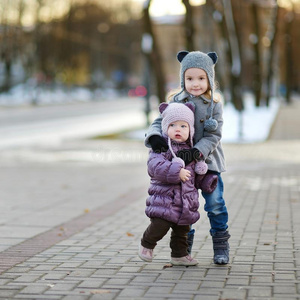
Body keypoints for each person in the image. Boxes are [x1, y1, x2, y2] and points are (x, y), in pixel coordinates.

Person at [144, 50, 231, 265]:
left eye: (201, 78)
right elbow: (159, 121)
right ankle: (183, 248)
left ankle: (221, 245)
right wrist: (155, 136)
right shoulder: (177, 100)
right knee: (185, 205)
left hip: (207, 164)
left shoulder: (214, 105)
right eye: (190, 78)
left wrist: (196, 151)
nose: (195, 83)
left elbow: (214, 135)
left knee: (215, 204)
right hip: (182, 166)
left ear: (210, 79)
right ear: (183, 79)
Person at [138, 102, 218, 266]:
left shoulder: (190, 150)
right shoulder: (161, 148)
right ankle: (146, 244)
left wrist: (206, 180)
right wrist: (177, 170)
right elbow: (155, 168)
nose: (178, 129)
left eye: (183, 126)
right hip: (165, 201)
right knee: (159, 227)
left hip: (185, 203)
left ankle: (179, 255)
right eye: (173, 125)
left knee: (182, 232)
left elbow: (194, 174)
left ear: (190, 130)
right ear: (165, 127)